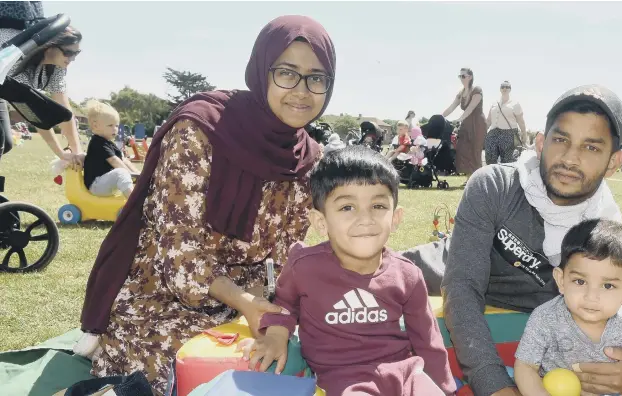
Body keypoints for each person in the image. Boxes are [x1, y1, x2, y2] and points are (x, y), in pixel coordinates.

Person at [72, 15, 336, 393]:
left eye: (317, 78)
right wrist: (245, 302)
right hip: (163, 297)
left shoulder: (308, 156)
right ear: (262, 71)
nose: (302, 90)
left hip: (250, 304)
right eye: (287, 73)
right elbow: (178, 253)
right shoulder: (202, 128)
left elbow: (283, 255)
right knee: (183, 379)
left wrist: (271, 305)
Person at [399, 85, 622, 396]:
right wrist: (496, 386)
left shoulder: (609, 236)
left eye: (591, 147)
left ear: (614, 162)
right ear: (540, 143)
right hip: (445, 265)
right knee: (373, 272)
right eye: (561, 140)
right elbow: (462, 288)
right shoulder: (494, 186)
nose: (571, 159)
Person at [245, 146, 456, 395]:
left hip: (405, 372)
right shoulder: (305, 266)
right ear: (321, 222)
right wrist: (276, 335)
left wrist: (444, 388)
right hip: (342, 379)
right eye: (347, 207)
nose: (365, 218)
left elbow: (427, 339)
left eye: (378, 206)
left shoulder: (407, 274)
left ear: (395, 218)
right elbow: (284, 304)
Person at [513, 219, 622, 396]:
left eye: (608, 286)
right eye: (580, 281)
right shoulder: (545, 318)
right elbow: (525, 366)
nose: (591, 296)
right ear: (561, 280)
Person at [0, 1, 84, 166]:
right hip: (4, 75)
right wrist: (59, 152)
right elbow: (36, 115)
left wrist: (77, 150)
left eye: (76, 53)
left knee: (7, 143)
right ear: (49, 47)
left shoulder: (58, 67)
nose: (72, 59)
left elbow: (64, 108)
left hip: (2, 86)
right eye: (68, 52)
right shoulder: (19, 61)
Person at [82, 100, 138, 198]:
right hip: (96, 184)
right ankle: (133, 203)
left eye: (116, 125)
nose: (115, 129)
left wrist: (138, 175)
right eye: (110, 125)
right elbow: (114, 161)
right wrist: (131, 175)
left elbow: (123, 160)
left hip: (105, 182)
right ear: (96, 126)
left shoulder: (109, 143)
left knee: (123, 171)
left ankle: (135, 196)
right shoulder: (97, 142)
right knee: (121, 172)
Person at [443, 67, 487, 185]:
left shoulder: (477, 90)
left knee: (475, 151)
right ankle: (469, 178)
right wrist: (440, 117)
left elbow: (470, 108)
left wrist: (459, 119)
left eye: (463, 76)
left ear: (470, 77)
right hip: (466, 124)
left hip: (477, 123)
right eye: (460, 76)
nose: (461, 78)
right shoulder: (461, 93)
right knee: (464, 149)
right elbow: (452, 107)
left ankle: (477, 180)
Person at [484, 81, 528, 165]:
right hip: (493, 133)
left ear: (510, 89)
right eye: (502, 87)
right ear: (500, 89)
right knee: (490, 160)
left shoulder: (515, 104)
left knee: (508, 162)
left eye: (507, 87)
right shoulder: (494, 104)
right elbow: (489, 121)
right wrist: (482, 133)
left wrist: (524, 136)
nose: (504, 88)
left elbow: (521, 121)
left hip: (508, 134)